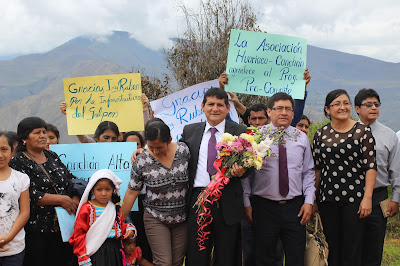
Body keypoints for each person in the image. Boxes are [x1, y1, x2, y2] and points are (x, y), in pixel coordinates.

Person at [242, 92, 315, 265]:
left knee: (295, 257)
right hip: (263, 207)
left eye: (288, 109)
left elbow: (308, 172)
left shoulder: (301, 138)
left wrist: (309, 201)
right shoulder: (256, 137)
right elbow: (246, 175)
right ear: (269, 111)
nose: (284, 112)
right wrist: (246, 203)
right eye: (279, 108)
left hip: (295, 207)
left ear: (292, 113)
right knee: (264, 258)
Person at [181, 87, 251, 266]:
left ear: (228, 108)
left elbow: (250, 164)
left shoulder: (240, 131)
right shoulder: (189, 131)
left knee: (226, 256)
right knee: (197, 255)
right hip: (199, 200)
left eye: (220, 105)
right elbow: (174, 154)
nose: (215, 109)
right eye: (210, 104)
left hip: (227, 200)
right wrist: (143, 152)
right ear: (202, 106)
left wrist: (242, 170)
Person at [312, 89, 377, 266]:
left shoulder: (362, 132)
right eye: (337, 104)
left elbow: (370, 167)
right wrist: (314, 198)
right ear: (327, 109)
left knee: (352, 247)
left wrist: (367, 198)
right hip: (327, 198)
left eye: (346, 103)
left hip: (354, 200)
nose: (343, 107)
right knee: (332, 245)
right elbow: (318, 168)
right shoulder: (320, 134)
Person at [9, 117, 80, 266]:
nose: (43, 136)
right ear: (24, 138)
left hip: (63, 226)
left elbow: (70, 178)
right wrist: (61, 199)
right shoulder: (17, 162)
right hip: (37, 230)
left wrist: (74, 196)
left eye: (44, 132)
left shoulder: (51, 155)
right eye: (37, 132)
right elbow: (26, 193)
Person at [122, 120, 190, 266]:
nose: (156, 151)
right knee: (163, 262)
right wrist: (119, 220)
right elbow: (131, 193)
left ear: (170, 140)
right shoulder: (141, 160)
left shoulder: (184, 151)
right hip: (155, 217)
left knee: (177, 262)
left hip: (181, 218)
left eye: (159, 147)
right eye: (151, 147)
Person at [354, 88, 400, 266]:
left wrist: (396, 198)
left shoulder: (389, 135)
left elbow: (395, 169)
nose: (373, 107)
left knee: (374, 248)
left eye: (377, 104)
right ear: (357, 108)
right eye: (368, 104)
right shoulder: (349, 132)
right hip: (352, 195)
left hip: (379, 196)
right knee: (352, 246)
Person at [69, 169, 135, 266]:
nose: (103, 193)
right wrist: (83, 257)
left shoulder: (115, 208)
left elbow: (119, 226)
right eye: (99, 189)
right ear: (92, 190)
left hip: (114, 252)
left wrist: (129, 230)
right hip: (95, 252)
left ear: (113, 190)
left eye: (107, 189)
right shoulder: (87, 209)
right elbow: (78, 234)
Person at [219, 68, 312, 128]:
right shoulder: (243, 137)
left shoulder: (280, 133)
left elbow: (295, 116)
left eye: (261, 118)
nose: (257, 122)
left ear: (269, 117)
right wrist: (223, 91)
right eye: (254, 119)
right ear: (248, 120)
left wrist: (302, 87)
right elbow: (225, 119)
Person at [60, 93, 150, 142]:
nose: (110, 142)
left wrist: (145, 109)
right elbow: (82, 137)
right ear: (96, 137)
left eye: (114, 138)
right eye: (106, 138)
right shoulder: (93, 147)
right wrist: (70, 114)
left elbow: (146, 133)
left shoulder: (128, 148)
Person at [0, 132, 30, 265]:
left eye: (4, 149)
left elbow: (24, 212)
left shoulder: (21, 179)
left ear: (13, 151)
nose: (0, 155)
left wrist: (8, 237)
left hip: (14, 248)